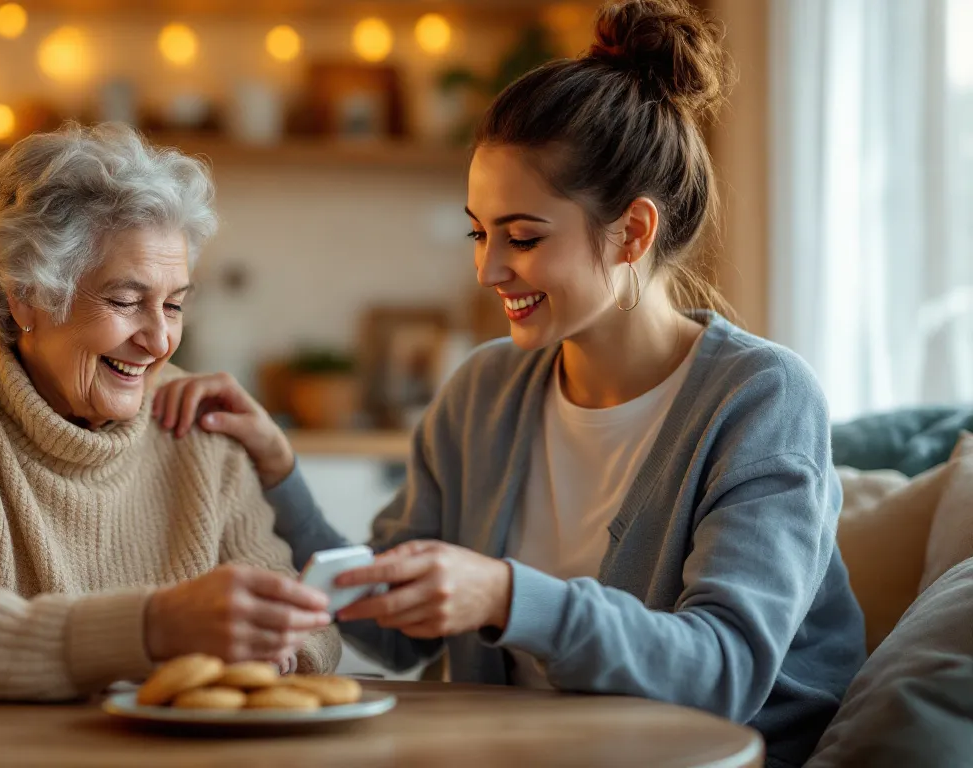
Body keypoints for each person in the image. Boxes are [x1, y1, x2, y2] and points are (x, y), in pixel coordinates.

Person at [152, 1, 865, 764]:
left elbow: (722, 670)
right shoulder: (483, 389)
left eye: (522, 237)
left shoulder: (761, 399)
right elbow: (387, 629)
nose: (489, 269)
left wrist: (503, 595)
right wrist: (276, 468)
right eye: (479, 232)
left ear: (634, 231)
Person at [0, 124, 339, 701]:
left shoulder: (195, 417)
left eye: (174, 305)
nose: (161, 340)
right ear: (27, 296)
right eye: (124, 301)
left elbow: (309, 618)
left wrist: (280, 647)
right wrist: (151, 628)